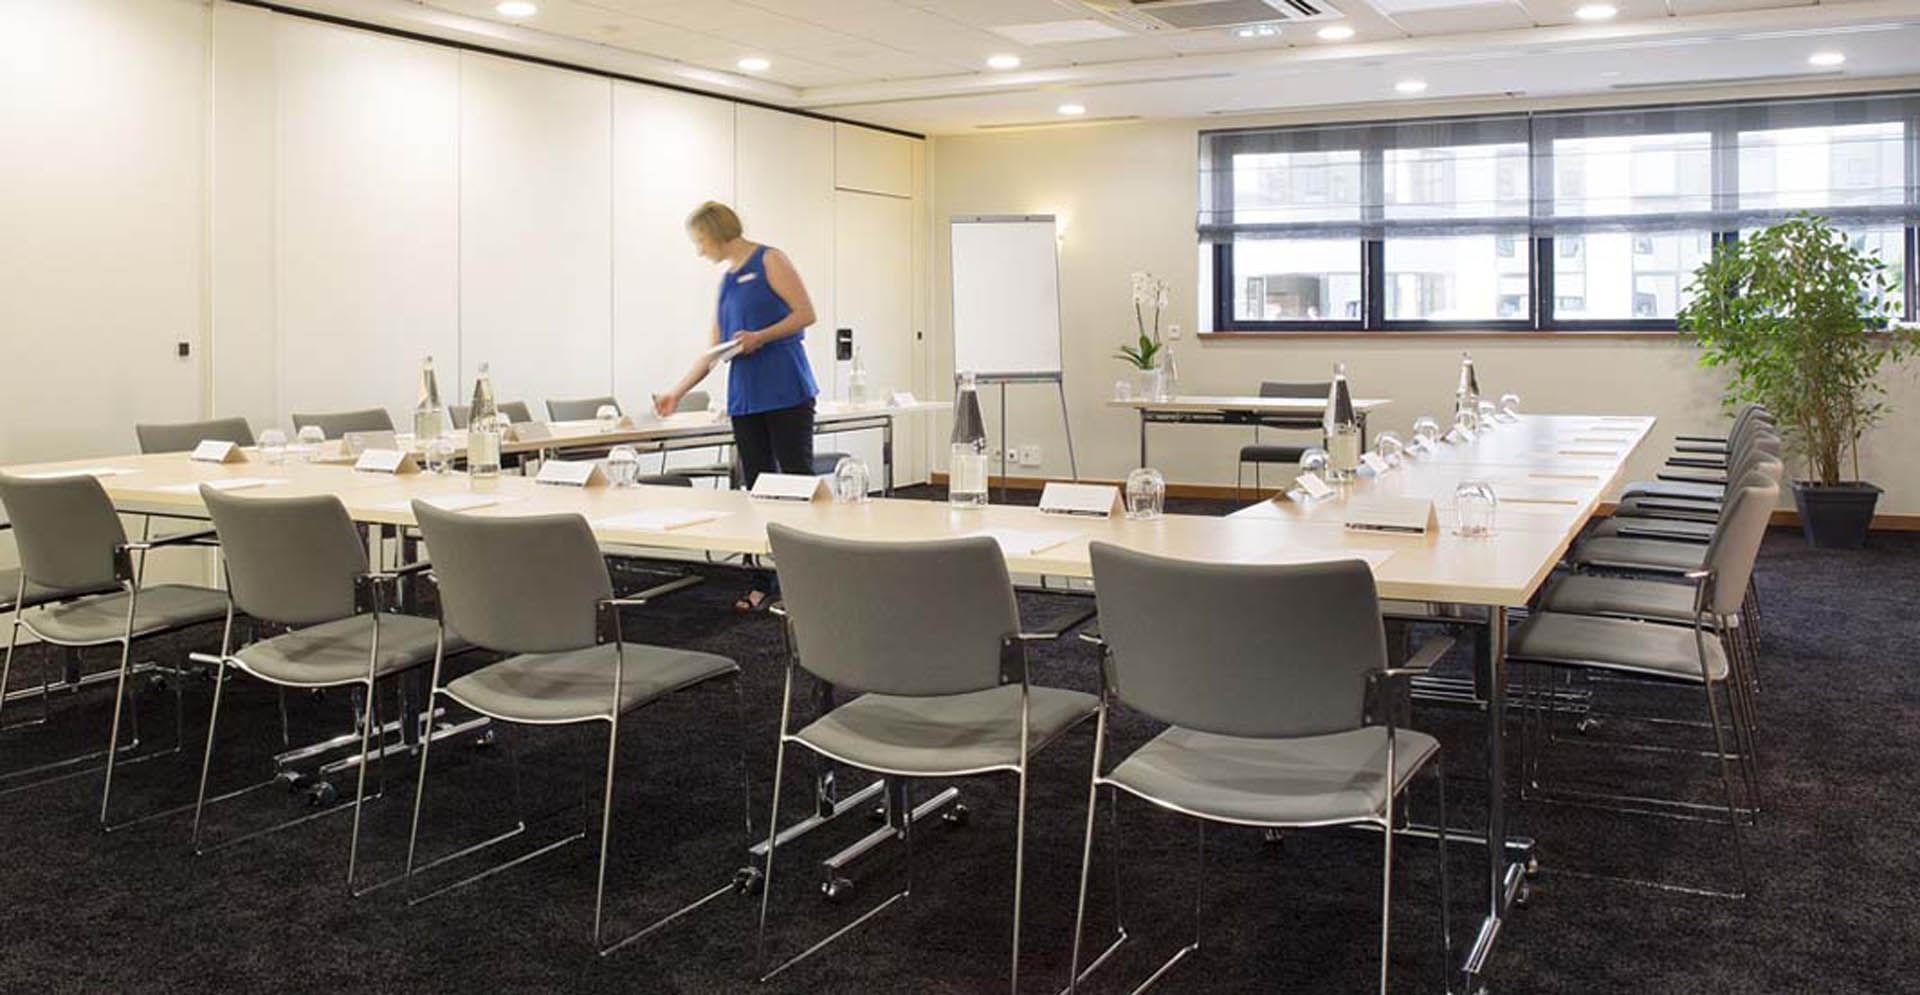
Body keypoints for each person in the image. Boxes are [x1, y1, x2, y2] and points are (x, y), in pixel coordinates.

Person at [655, 201, 819, 611]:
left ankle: (809, 579)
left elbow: (805, 314)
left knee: (796, 484)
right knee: (757, 491)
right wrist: (676, 392)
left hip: (785, 387)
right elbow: (714, 351)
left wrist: (761, 336)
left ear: (716, 232)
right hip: (746, 397)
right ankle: (763, 579)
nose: (699, 250)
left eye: (700, 240)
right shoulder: (726, 280)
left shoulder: (770, 260)